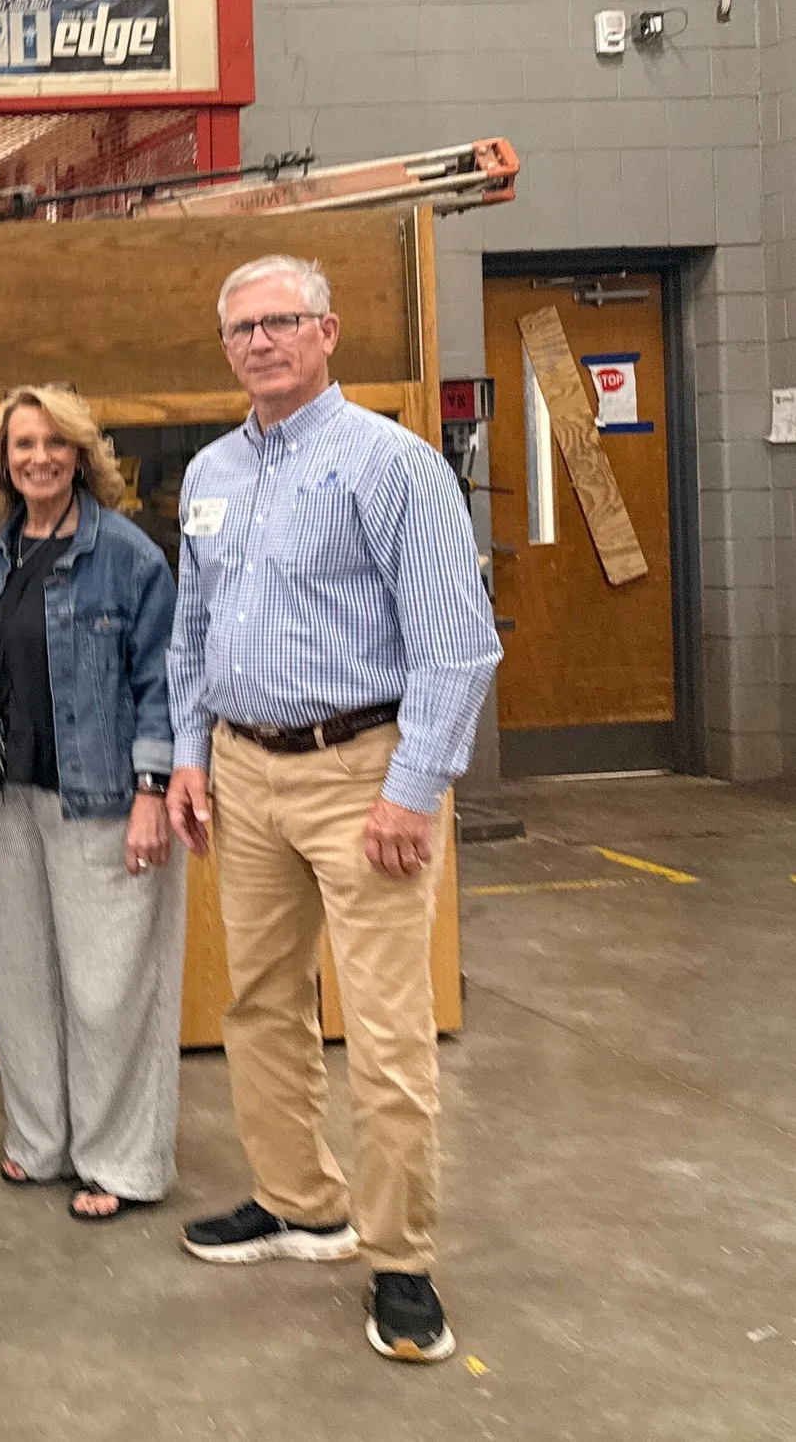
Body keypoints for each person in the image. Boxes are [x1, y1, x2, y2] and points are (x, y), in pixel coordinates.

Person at [166, 255, 500, 1367]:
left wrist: (414, 787)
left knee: (388, 1023)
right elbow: (190, 633)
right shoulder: (210, 469)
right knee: (259, 1001)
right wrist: (188, 757)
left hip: (361, 771)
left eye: (279, 323)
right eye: (239, 329)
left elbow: (457, 643)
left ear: (326, 332)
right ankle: (297, 1201)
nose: (258, 343)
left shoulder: (393, 468)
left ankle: (400, 1260)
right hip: (241, 768)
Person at [0, 385, 181, 1224]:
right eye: (22, 445)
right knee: (19, 980)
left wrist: (153, 791)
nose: (38, 457)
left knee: (106, 987)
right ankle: (41, 1138)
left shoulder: (128, 556)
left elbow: (163, 680)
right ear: (2, 462)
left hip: (100, 796)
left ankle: (121, 1159)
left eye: (55, 443)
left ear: (83, 455)